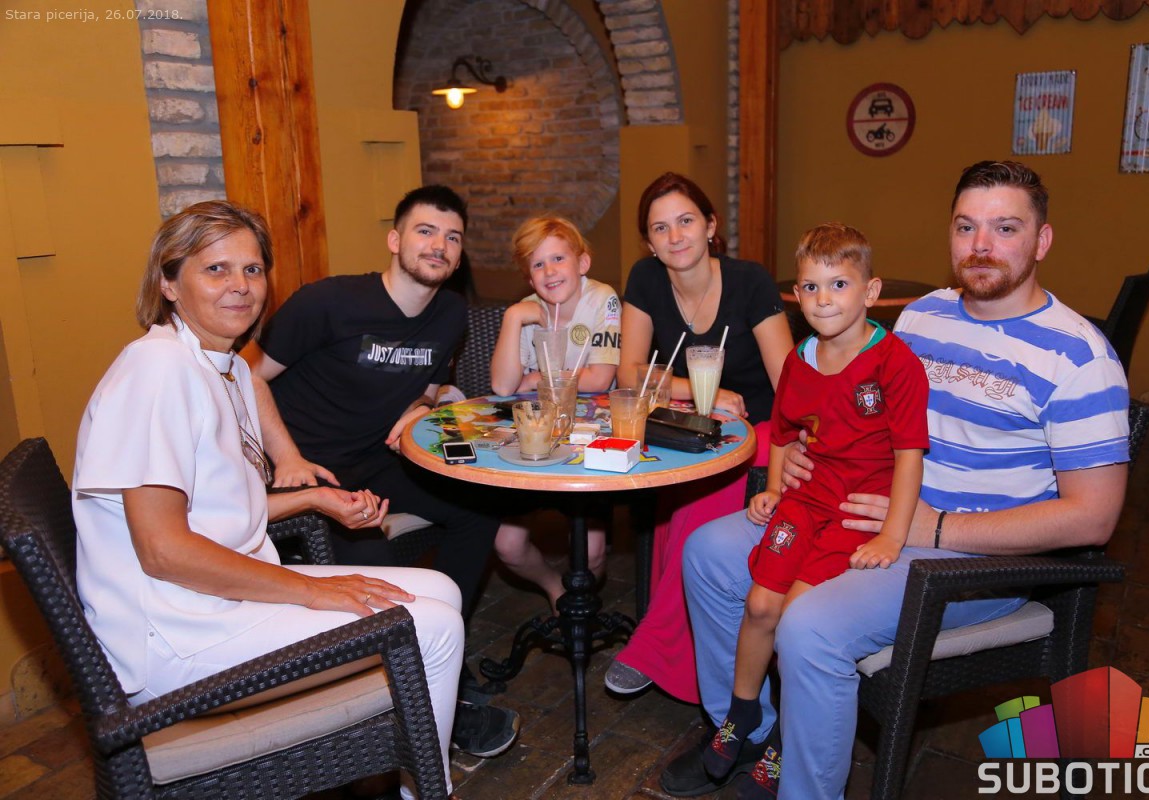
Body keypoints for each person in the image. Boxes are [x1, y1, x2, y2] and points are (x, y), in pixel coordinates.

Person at [670, 160, 1131, 799]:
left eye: (1005, 228)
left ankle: (801, 782)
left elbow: (1094, 518)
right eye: (966, 226)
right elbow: (853, 407)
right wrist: (803, 446)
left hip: (973, 557)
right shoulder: (922, 316)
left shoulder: (1079, 356)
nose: (981, 245)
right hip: (860, 506)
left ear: (1042, 240)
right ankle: (748, 726)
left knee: (807, 625)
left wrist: (933, 527)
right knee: (707, 552)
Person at [72, 200, 465, 796]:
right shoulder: (156, 372)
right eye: (216, 269)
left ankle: (400, 762)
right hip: (173, 632)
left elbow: (212, 514)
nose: (241, 286)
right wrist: (313, 590)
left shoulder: (221, 365)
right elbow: (164, 551)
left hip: (211, 598)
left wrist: (313, 501)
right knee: (433, 628)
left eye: (252, 270)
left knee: (441, 589)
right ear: (168, 283)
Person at [245, 185, 518, 756]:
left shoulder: (450, 313)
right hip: (309, 472)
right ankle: (428, 701)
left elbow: (430, 384)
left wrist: (420, 405)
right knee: (383, 587)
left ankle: (447, 646)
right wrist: (286, 458)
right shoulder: (328, 302)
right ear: (395, 240)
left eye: (452, 237)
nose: (439, 245)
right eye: (425, 231)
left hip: (376, 458)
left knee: (479, 509)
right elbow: (245, 377)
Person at [703, 223, 929, 784]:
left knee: (794, 621)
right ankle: (742, 713)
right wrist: (774, 487)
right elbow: (783, 432)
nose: (823, 299)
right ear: (796, 296)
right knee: (761, 605)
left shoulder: (896, 364)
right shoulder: (798, 361)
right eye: (810, 287)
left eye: (839, 284)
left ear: (870, 291)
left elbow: (910, 456)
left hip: (853, 516)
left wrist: (892, 534)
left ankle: (786, 741)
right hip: (803, 505)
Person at [604, 172, 793, 700]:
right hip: (689, 421)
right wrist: (696, 389)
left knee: (699, 494)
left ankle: (655, 646)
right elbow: (629, 373)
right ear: (649, 242)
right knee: (675, 484)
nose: (675, 236)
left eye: (686, 221)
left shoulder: (750, 282)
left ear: (710, 226)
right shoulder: (646, 279)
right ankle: (686, 647)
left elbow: (789, 384)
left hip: (762, 426)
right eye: (660, 228)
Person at [490, 215, 620, 609]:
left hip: (590, 439)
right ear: (529, 278)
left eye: (558, 258)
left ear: (583, 263)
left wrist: (536, 377)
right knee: (507, 546)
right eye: (538, 264)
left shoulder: (602, 299)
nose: (549, 271)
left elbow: (600, 378)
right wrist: (513, 318)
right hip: (537, 439)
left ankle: (580, 598)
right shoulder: (527, 310)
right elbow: (503, 386)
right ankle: (555, 588)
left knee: (591, 556)